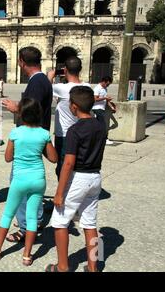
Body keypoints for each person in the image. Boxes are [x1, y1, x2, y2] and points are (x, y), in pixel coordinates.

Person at [0, 98, 57, 265]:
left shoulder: (16, 133)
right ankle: (26, 255)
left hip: (20, 179)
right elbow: (54, 158)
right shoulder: (44, 134)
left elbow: (8, 157)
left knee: (8, 214)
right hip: (38, 180)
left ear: (21, 114)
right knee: (32, 217)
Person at [45, 86, 107, 272]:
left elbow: (68, 163)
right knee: (90, 223)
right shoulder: (100, 126)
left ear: (73, 106)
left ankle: (63, 266)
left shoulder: (74, 130)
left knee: (59, 221)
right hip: (95, 176)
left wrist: (58, 192)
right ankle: (94, 266)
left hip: (78, 178)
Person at [2, 47, 53, 243]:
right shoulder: (42, 81)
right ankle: (36, 219)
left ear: (22, 61)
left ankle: (25, 227)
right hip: (37, 138)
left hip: (28, 140)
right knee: (32, 183)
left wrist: (17, 108)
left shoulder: (37, 82)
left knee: (21, 184)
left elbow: (33, 112)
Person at [47, 56, 91, 179]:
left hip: (64, 134)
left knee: (62, 165)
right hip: (82, 132)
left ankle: (64, 193)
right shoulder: (87, 87)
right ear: (80, 69)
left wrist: (51, 75)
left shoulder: (61, 88)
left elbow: (46, 86)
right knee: (77, 163)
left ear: (65, 70)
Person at [92, 76, 116, 145]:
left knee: (100, 125)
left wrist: (112, 107)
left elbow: (106, 100)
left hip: (102, 108)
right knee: (103, 125)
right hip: (96, 108)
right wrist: (104, 97)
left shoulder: (105, 89)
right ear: (104, 82)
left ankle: (99, 139)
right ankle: (104, 139)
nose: (108, 86)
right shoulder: (97, 88)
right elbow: (95, 99)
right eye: (107, 84)